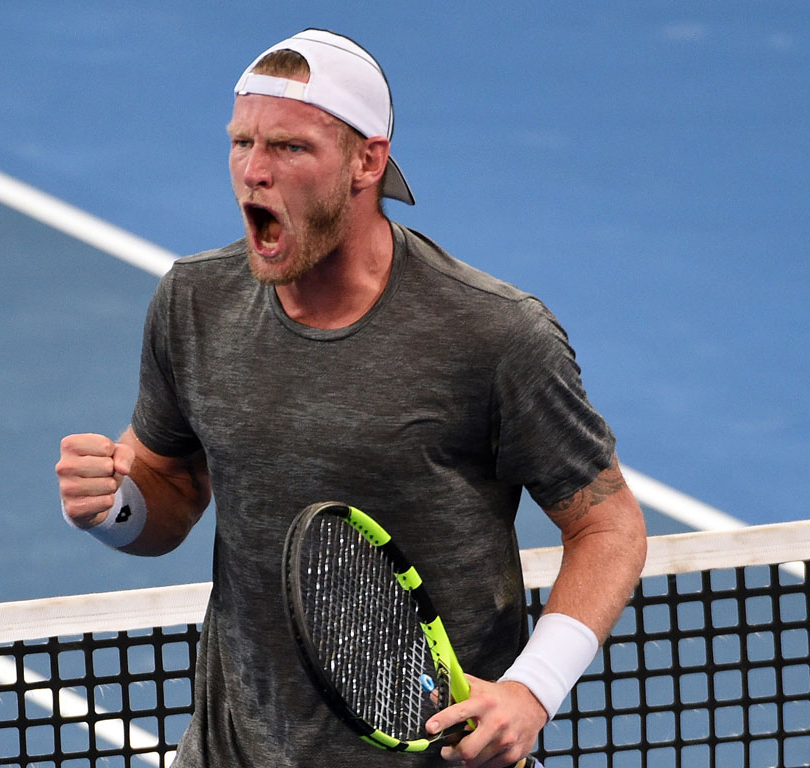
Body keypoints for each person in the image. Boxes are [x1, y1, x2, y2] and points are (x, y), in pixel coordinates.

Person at [56, 28, 646, 768]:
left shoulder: (493, 333)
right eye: (242, 143)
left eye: (290, 148)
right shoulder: (193, 302)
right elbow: (170, 487)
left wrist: (531, 690)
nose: (254, 172)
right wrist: (114, 506)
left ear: (368, 160)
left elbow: (609, 527)